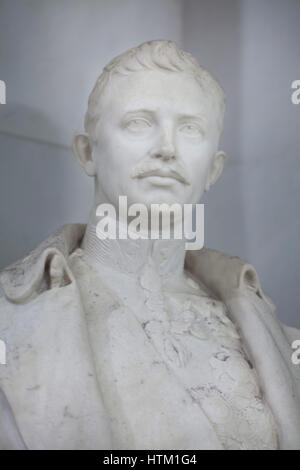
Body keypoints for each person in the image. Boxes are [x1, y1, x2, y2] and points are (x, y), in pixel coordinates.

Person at [0, 40, 299, 450]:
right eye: (139, 122)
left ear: (214, 168)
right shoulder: (12, 319)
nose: (166, 149)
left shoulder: (273, 333)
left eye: (190, 128)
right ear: (87, 152)